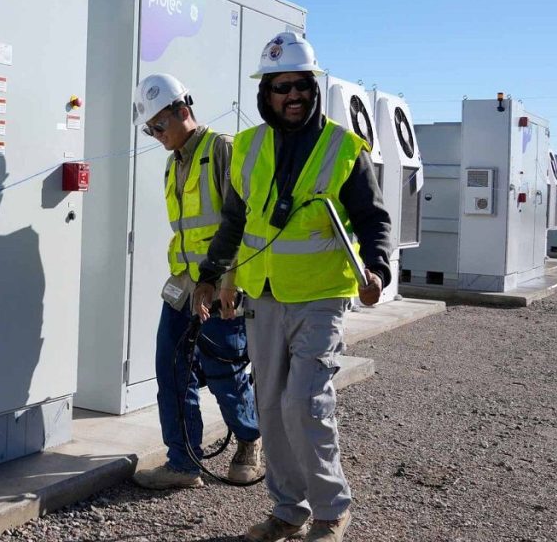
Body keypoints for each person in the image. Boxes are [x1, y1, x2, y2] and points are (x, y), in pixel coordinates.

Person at [193, 33, 392, 542]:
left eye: (300, 85)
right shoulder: (247, 146)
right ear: (267, 93)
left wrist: (378, 270)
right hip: (263, 296)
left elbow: (373, 220)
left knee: (304, 401)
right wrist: (211, 277)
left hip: (321, 296)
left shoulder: (344, 149)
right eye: (281, 87)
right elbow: (234, 221)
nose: (291, 95)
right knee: (271, 406)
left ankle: (330, 510)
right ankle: (288, 509)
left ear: (312, 87)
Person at [130, 73, 264, 490]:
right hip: (182, 287)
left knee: (223, 372)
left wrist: (230, 283)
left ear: (183, 111)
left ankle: (248, 440)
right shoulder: (175, 162)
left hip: (222, 285)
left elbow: (241, 222)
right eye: (149, 129)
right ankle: (182, 464)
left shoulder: (222, 149)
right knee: (171, 372)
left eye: (158, 126)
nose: (155, 135)